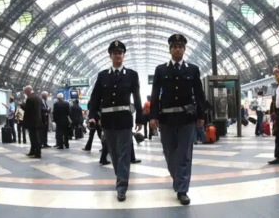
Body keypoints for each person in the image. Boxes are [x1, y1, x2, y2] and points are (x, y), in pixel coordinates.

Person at [149, 33, 206, 205]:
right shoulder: (161, 70)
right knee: (170, 154)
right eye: (174, 46)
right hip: (166, 119)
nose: (178, 49)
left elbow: (199, 94)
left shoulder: (193, 70)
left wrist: (201, 115)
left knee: (184, 155)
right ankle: (178, 178)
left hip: (186, 119)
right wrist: (153, 116)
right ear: (170, 49)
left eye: (181, 46)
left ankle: (182, 189)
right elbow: (155, 95)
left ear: (184, 49)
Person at [88, 40, 143, 202]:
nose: (118, 55)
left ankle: (121, 186)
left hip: (125, 120)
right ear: (110, 56)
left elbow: (137, 98)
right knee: (113, 152)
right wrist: (93, 115)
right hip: (107, 121)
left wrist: (139, 117)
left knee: (124, 154)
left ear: (123, 55)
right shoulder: (103, 76)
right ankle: (120, 177)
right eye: (115, 53)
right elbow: (95, 98)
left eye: (120, 53)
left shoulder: (132, 75)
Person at [22, 85, 42, 158]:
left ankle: (37, 153)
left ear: (28, 91)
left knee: (33, 137)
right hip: (38, 120)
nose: (25, 94)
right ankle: (33, 151)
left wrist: (22, 106)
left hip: (31, 121)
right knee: (37, 137)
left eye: (25, 92)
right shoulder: (38, 98)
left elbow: (28, 111)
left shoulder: (29, 99)